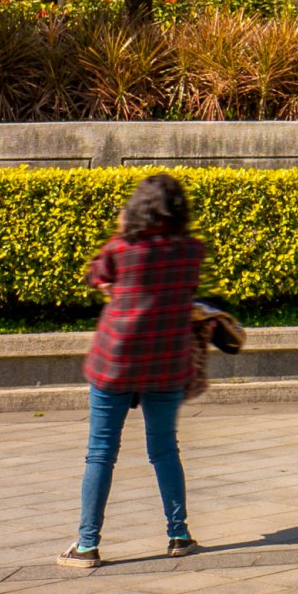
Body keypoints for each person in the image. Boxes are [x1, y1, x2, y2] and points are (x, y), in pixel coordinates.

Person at [63, 172, 204, 569]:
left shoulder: (124, 247)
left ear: (138, 208)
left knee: (101, 453)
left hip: (116, 363)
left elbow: (96, 276)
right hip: (165, 364)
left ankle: (87, 545)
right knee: (164, 449)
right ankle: (178, 535)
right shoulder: (191, 249)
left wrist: (122, 230)